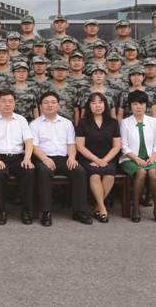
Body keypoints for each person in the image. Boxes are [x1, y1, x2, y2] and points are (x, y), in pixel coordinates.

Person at [31, 91, 92, 226]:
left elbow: (71, 144)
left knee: (79, 171)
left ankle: (79, 211)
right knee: (44, 172)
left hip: (64, 158)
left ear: (58, 105)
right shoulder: (34, 124)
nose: (50, 105)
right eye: (46, 103)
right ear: (40, 106)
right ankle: (46, 212)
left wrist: (72, 157)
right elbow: (34, 146)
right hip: (44, 158)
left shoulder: (67, 123)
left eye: (53, 102)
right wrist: (45, 159)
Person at [0, 90, 35, 225]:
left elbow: (29, 141)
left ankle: (26, 211)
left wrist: (27, 159)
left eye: (10, 101)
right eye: (4, 101)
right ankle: (1, 211)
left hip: (18, 157)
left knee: (28, 171)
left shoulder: (21, 120)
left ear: (14, 103)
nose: (7, 104)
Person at [119, 90, 156, 223]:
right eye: (135, 104)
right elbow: (124, 146)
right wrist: (137, 159)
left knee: (153, 172)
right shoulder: (125, 122)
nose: (138, 107)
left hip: (150, 158)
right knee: (141, 172)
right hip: (130, 159)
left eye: (141, 103)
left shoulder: (153, 121)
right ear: (130, 106)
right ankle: (136, 208)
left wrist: (153, 157)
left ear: (146, 105)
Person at [75, 93, 121, 223]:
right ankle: (103, 209)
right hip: (88, 158)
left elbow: (116, 146)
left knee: (109, 176)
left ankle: (97, 207)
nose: (97, 106)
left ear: (105, 105)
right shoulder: (83, 122)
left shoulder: (113, 123)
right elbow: (80, 146)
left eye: (100, 102)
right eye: (94, 103)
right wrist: (96, 160)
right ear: (89, 106)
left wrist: (104, 160)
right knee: (94, 176)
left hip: (108, 158)